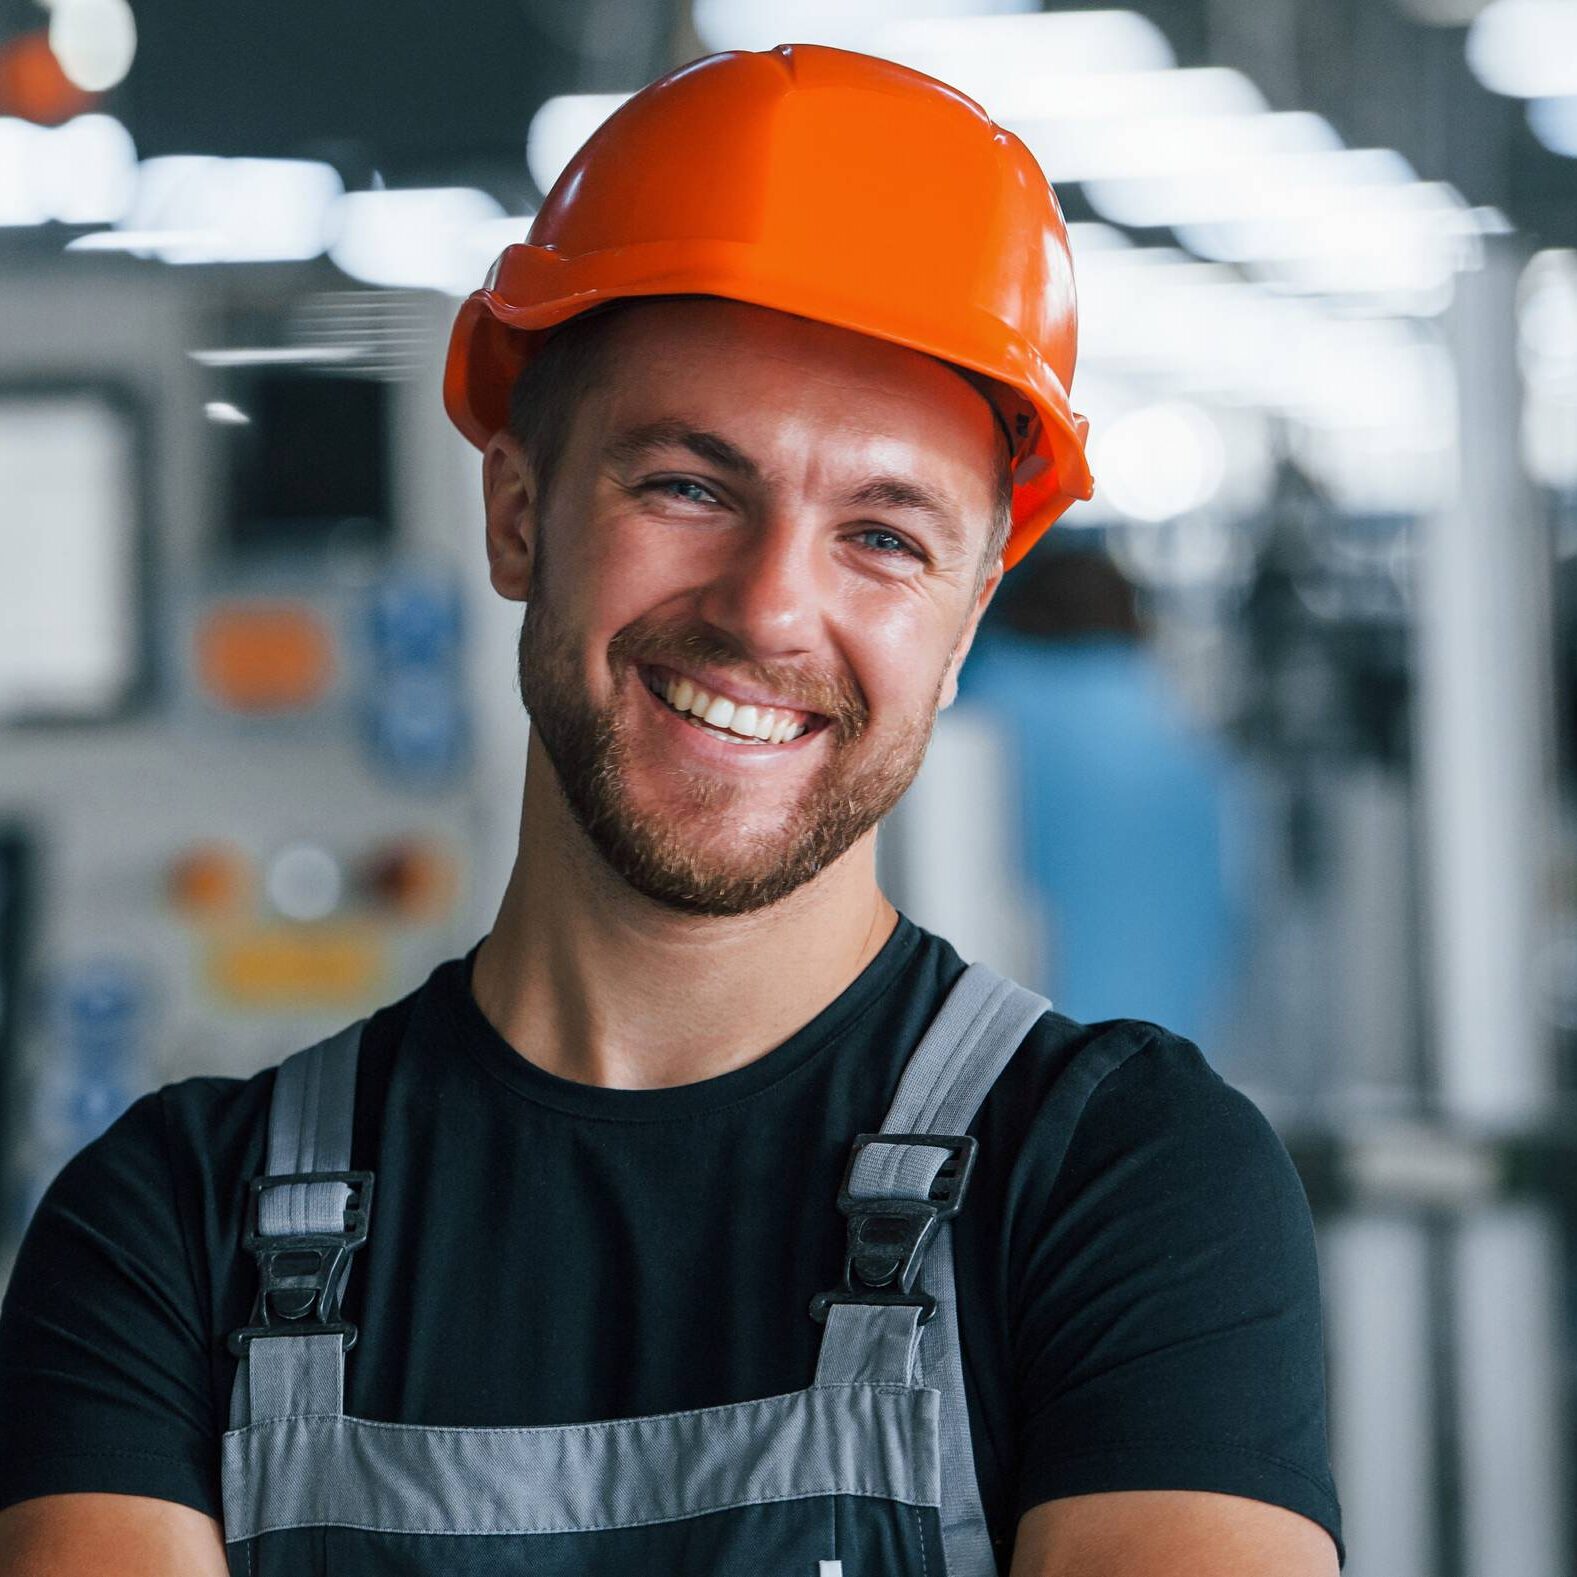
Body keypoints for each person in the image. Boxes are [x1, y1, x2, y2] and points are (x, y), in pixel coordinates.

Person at [0, 43, 1343, 1576]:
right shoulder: (170, 1233)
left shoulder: (1124, 1190)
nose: (769, 608)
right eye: (689, 487)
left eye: (883, 537)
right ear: (517, 514)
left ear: (967, 618)